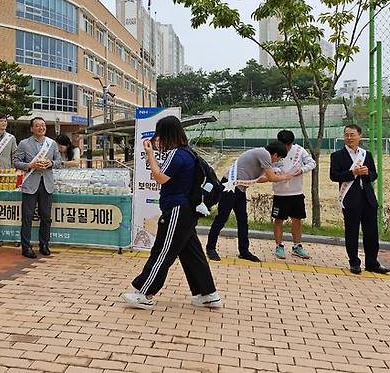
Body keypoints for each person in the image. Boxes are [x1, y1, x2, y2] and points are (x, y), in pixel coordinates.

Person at [123, 116, 221, 310]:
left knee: (163, 250)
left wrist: (149, 154)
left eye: (160, 133)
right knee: (192, 253)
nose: (158, 138)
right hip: (186, 210)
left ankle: (144, 292)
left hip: (177, 210)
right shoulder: (188, 153)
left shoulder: (177, 154)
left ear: (167, 134)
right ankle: (208, 294)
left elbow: (160, 177)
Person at [206, 141, 292, 262]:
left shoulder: (262, 155)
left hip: (240, 188)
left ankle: (244, 251)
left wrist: (275, 176)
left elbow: (260, 179)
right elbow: (272, 177)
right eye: (279, 159)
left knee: (242, 220)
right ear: (276, 154)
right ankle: (210, 248)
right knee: (222, 218)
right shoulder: (264, 154)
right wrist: (285, 177)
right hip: (230, 186)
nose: (277, 161)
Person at [330, 124, 390, 275]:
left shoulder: (366, 154)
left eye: (352, 134)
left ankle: (372, 263)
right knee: (352, 232)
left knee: (371, 233)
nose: (349, 138)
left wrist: (366, 172)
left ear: (359, 136)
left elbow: (374, 175)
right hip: (350, 198)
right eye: (346, 135)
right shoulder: (337, 156)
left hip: (368, 199)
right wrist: (352, 173)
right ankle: (354, 262)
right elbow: (334, 176)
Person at [13, 117, 62, 258]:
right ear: (31, 128)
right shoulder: (24, 143)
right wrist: (30, 165)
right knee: (27, 217)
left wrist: (50, 163)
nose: (41, 128)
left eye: (43, 125)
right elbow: (16, 162)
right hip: (30, 184)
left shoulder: (51, 143)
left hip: (47, 184)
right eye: (38, 125)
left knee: (46, 217)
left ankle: (44, 244)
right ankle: (26, 247)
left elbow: (59, 161)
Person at [271, 130, 316, 259]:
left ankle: (297, 246)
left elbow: (312, 163)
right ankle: (279, 246)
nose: (286, 148)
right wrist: (276, 172)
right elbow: (267, 167)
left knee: (297, 220)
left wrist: (301, 170)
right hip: (280, 193)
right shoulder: (272, 151)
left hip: (296, 192)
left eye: (288, 145)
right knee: (278, 220)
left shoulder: (299, 150)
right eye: (283, 145)